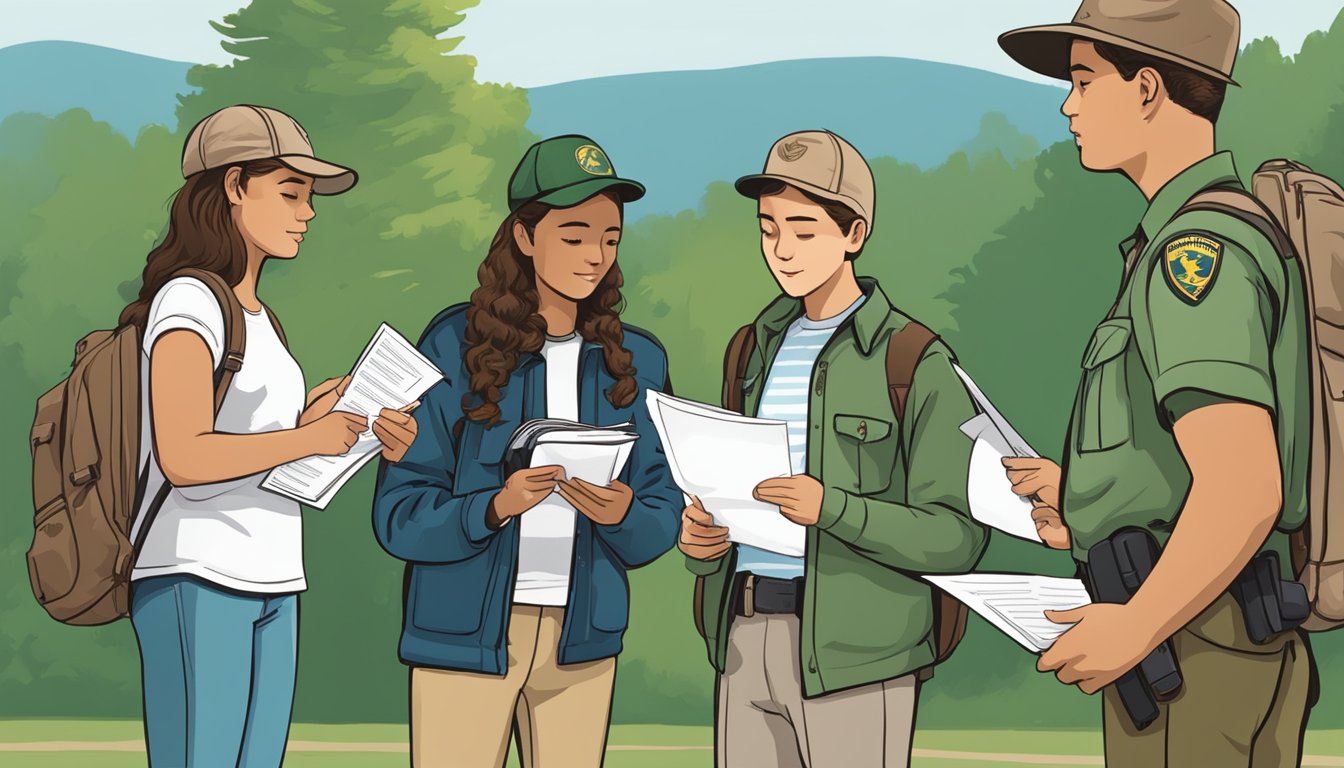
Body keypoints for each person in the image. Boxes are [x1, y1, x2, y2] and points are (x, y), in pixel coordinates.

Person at [997, 1, 1315, 764]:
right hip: (1207, 635)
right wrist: (1085, 502)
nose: (1067, 105)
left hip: (1192, 649)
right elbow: (1189, 460)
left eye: (1082, 79)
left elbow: (1243, 487)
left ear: (1146, 90)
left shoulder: (1194, 256)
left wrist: (1138, 626)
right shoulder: (1194, 239)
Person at [120, 104, 418, 767]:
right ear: (232, 188)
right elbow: (185, 453)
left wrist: (331, 415)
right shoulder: (189, 302)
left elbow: (256, 436)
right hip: (195, 572)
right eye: (289, 193)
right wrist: (306, 440)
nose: (306, 213)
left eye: (308, 198)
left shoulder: (262, 319)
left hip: (274, 575)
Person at [679, 129, 988, 767]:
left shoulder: (913, 359)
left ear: (854, 235)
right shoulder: (750, 348)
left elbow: (957, 538)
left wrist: (834, 509)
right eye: (768, 229)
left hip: (859, 658)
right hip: (741, 638)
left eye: (803, 229)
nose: (781, 250)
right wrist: (703, 543)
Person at [371, 135, 682, 768]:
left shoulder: (640, 361)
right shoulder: (452, 343)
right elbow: (398, 515)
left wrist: (623, 514)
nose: (595, 256)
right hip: (462, 639)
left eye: (610, 238)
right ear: (523, 235)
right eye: (574, 236)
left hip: (584, 642)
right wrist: (493, 508)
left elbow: (664, 513)